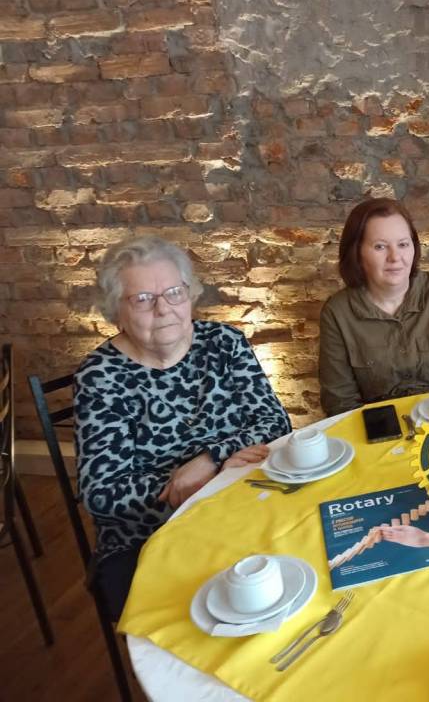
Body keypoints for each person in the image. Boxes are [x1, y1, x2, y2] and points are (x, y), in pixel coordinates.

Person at [74, 236, 292, 619]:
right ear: (116, 311)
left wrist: (211, 461)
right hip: (153, 535)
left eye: (174, 293)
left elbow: (275, 422)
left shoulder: (224, 343)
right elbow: (102, 493)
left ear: (189, 296)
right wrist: (199, 482)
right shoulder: (100, 377)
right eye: (143, 299)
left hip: (247, 506)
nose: (163, 309)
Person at [319, 198, 429, 416]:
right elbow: (340, 403)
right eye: (380, 246)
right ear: (357, 253)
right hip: (382, 430)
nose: (395, 257)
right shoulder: (337, 313)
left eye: (403, 244)